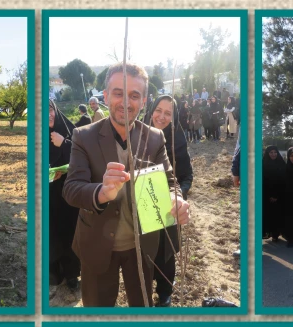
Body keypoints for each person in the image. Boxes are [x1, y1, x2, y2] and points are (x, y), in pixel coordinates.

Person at [61, 62, 190, 307]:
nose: (125, 102)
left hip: (142, 245)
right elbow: (71, 188)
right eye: (118, 93)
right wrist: (101, 192)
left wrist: (176, 199)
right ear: (106, 96)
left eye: (134, 95)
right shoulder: (84, 136)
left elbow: (171, 181)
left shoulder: (154, 138)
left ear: (143, 101)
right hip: (97, 244)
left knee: (141, 307)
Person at [146, 95, 193, 307]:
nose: (162, 117)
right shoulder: (137, 137)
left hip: (168, 209)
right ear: (151, 110)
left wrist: (177, 195)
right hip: (142, 206)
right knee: (144, 250)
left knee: (165, 252)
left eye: (168, 113)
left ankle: (165, 292)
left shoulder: (178, 141)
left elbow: (186, 177)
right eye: (158, 110)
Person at [49, 99, 81, 292]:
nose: (49, 114)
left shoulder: (71, 131)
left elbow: (83, 157)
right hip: (48, 196)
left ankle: (71, 274)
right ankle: (54, 272)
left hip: (68, 196)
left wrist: (64, 144)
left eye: (51, 109)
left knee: (69, 234)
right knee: (51, 234)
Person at [261, 146, 285, 242]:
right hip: (266, 195)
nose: (273, 154)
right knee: (267, 216)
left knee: (277, 216)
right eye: (271, 152)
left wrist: (276, 195)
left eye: (275, 152)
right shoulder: (263, 164)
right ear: (267, 153)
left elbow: (284, 181)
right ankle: (268, 233)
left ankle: (276, 235)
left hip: (279, 196)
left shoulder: (282, 163)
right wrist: (269, 195)